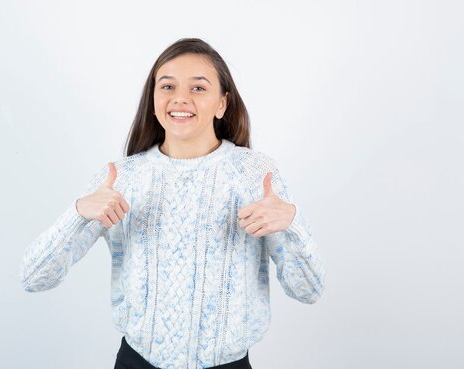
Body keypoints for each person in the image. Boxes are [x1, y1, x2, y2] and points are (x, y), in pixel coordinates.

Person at [20, 38, 327, 369]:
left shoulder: (256, 175)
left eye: (198, 88)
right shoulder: (121, 178)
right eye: (167, 86)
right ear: (153, 101)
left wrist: (292, 223)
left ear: (222, 104)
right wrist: (79, 213)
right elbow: (34, 277)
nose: (180, 98)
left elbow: (308, 290)